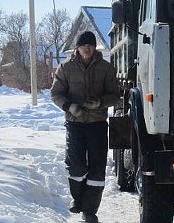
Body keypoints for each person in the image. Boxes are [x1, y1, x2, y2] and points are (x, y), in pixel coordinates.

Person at [50, 31, 120, 223]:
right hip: (75, 124)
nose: (86, 48)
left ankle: (90, 211)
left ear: (94, 47)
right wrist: (69, 106)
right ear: (77, 48)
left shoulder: (106, 68)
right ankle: (78, 199)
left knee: (97, 169)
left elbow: (115, 95)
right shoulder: (66, 68)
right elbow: (56, 93)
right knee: (77, 165)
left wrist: (99, 103)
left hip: (97, 124)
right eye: (83, 45)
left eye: (90, 45)